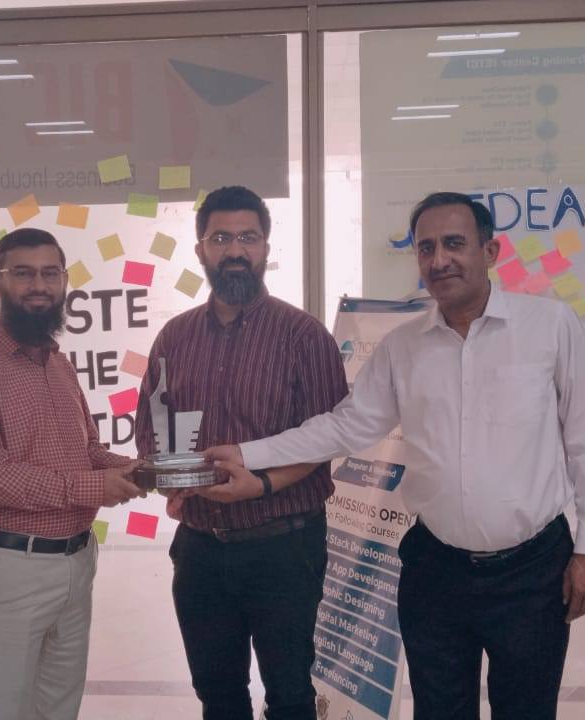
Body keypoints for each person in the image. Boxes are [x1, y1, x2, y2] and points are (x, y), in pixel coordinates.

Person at [207, 192, 585, 720]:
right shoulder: (403, 347)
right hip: (436, 571)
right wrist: (247, 453)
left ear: (490, 251)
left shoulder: (550, 326)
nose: (439, 260)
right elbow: (345, 426)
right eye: (426, 248)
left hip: (532, 572)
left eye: (454, 244)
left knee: (527, 710)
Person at [133, 185, 348, 720]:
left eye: (248, 238)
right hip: (200, 550)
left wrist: (263, 483)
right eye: (221, 238)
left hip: (284, 549)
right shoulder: (175, 337)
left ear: (266, 247)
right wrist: (170, 479)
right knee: (218, 695)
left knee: (290, 696)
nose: (235, 250)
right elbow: (151, 429)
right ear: (201, 249)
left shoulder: (304, 336)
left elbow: (328, 437)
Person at [0, 228, 142, 720]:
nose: (39, 286)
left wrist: (141, 470)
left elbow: (85, 451)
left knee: (58, 711)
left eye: (50, 274)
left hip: (76, 562)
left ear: (65, 281)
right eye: (23, 274)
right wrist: (95, 487)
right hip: (9, 568)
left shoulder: (58, 364)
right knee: (2, 713)